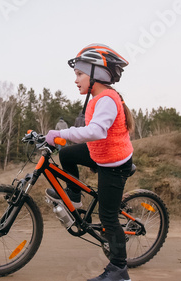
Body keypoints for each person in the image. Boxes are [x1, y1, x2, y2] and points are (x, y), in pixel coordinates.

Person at [45, 43, 135, 281]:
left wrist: (61, 134)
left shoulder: (107, 98)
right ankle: (74, 196)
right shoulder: (95, 98)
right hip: (99, 154)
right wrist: (58, 138)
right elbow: (84, 129)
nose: (76, 80)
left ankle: (119, 270)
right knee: (67, 154)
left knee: (108, 218)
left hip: (114, 163)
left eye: (79, 74)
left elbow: (95, 131)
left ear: (97, 74)